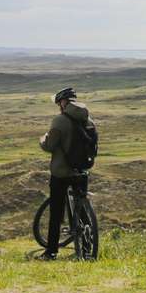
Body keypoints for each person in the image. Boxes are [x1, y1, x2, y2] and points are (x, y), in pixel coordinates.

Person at [38, 86, 95, 260]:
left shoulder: (59, 121)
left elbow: (49, 145)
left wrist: (42, 139)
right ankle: (87, 248)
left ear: (63, 103)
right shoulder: (89, 120)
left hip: (62, 171)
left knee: (56, 212)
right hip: (82, 170)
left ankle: (51, 251)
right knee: (82, 208)